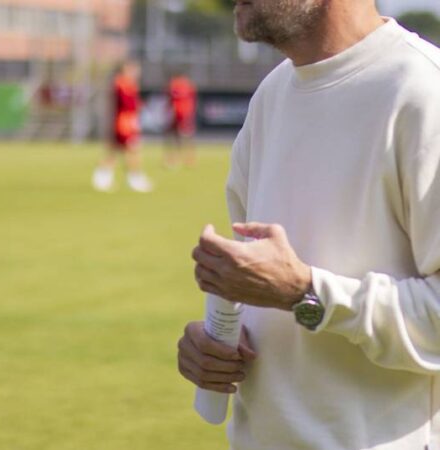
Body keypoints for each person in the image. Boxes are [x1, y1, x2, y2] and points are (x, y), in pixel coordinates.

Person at [177, 1, 440, 449]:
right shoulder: (271, 96)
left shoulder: (423, 92)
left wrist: (306, 293)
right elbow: (261, 291)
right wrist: (215, 345)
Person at [92, 61, 153, 193]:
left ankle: (104, 177)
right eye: (133, 69)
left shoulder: (129, 84)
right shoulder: (121, 83)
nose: (136, 73)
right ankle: (134, 179)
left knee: (116, 151)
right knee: (131, 150)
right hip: (123, 123)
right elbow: (123, 104)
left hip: (128, 121)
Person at [165, 73, 197, 167]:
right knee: (186, 137)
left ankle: (176, 159)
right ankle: (188, 159)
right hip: (185, 114)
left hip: (178, 115)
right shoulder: (189, 85)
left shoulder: (174, 84)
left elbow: (170, 100)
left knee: (176, 137)